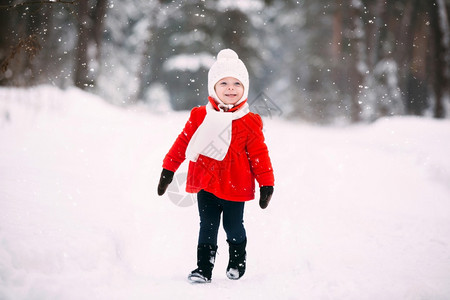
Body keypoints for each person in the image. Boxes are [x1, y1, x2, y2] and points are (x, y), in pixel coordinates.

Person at [157, 49, 275, 283]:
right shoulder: (200, 116)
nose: (231, 88)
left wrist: (266, 183)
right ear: (213, 86)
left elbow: (259, 154)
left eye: (236, 84)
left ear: (245, 88)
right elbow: (183, 143)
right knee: (207, 226)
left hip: (236, 185)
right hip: (206, 183)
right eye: (224, 83)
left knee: (233, 227)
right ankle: (203, 268)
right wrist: (168, 169)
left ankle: (237, 259)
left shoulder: (249, 121)